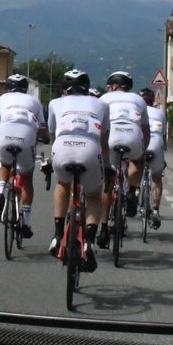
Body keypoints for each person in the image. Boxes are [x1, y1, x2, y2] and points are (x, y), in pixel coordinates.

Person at [45, 68, 107, 272]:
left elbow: (52, 136)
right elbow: (104, 141)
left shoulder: (55, 103)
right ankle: (89, 241)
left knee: (62, 184)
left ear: (64, 90)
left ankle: (57, 235)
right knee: (94, 195)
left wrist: (48, 160)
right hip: (90, 149)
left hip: (62, 147)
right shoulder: (101, 103)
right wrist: (107, 166)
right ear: (87, 88)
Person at [98, 71, 149, 238]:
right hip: (132, 135)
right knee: (138, 161)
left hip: (111, 136)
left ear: (113, 86)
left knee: (108, 180)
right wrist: (142, 151)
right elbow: (146, 130)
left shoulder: (104, 98)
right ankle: (132, 191)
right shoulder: (138, 99)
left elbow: (97, 126)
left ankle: (104, 227)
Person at [0, 73, 43, 240]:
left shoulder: (2, 99)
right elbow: (41, 126)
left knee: (5, 164)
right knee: (27, 178)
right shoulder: (34, 101)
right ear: (25, 89)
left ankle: (0, 192)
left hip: (5, 134)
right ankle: (26, 223)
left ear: (8, 88)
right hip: (26, 136)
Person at [139, 86, 167, 229]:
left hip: (142, 145)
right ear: (152, 101)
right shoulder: (159, 113)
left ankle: (134, 192)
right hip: (156, 145)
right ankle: (155, 209)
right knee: (156, 178)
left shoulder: (137, 112)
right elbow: (163, 135)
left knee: (132, 169)